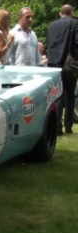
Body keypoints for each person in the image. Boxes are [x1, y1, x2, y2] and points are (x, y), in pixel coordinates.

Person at [47, 4, 78, 135]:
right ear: (71, 13)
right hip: (69, 64)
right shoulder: (75, 23)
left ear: (60, 13)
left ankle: (57, 126)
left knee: (56, 95)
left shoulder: (51, 26)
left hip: (53, 63)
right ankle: (68, 126)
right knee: (70, 95)